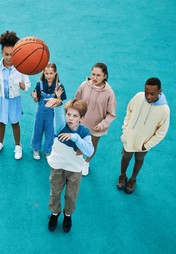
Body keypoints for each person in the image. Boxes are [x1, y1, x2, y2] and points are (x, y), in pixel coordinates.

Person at [45, 98, 94, 233]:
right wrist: (59, 104)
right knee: (55, 193)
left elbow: (90, 151)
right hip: (58, 167)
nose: (70, 118)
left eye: (75, 116)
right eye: (68, 114)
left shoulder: (84, 132)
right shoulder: (60, 126)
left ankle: (67, 215)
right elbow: (59, 113)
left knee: (71, 196)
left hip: (74, 170)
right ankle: (55, 214)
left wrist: (75, 137)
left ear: (82, 118)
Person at [117, 77, 170, 194]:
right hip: (130, 137)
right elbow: (129, 111)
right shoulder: (138, 97)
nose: (148, 96)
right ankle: (122, 175)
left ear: (159, 91)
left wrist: (147, 145)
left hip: (143, 144)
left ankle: (133, 179)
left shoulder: (164, 110)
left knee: (139, 159)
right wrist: (125, 130)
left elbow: (162, 132)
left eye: (152, 93)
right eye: (146, 93)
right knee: (125, 157)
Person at [0, 31, 31, 160]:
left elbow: (27, 84)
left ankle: (18, 145)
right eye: (6, 54)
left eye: (12, 54)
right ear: (1, 53)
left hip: (14, 100)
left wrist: (23, 86)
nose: (9, 57)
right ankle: (0, 143)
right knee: (1, 122)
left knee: (15, 123)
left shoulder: (21, 68)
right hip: (1, 100)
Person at [74, 62, 116, 175]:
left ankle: (86, 162)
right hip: (82, 124)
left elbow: (111, 114)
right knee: (79, 142)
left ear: (105, 76)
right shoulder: (84, 85)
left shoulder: (109, 93)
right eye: (93, 74)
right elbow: (76, 100)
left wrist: (102, 125)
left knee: (92, 145)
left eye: (98, 75)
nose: (94, 78)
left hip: (97, 127)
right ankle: (78, 159)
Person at [30, 62, 67, 160]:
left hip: (52, 114)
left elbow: (61, 102)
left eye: (51, 73)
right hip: (40, 113)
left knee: (50, 132)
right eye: (46, 73)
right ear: (43, 73)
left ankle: (48, 150)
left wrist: (58, 96)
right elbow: (37, 100)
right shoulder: (40, 84)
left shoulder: (59, 86)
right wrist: (34, 97)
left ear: (55, 73)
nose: (49, 76)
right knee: (37, 130)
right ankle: (36, 149)